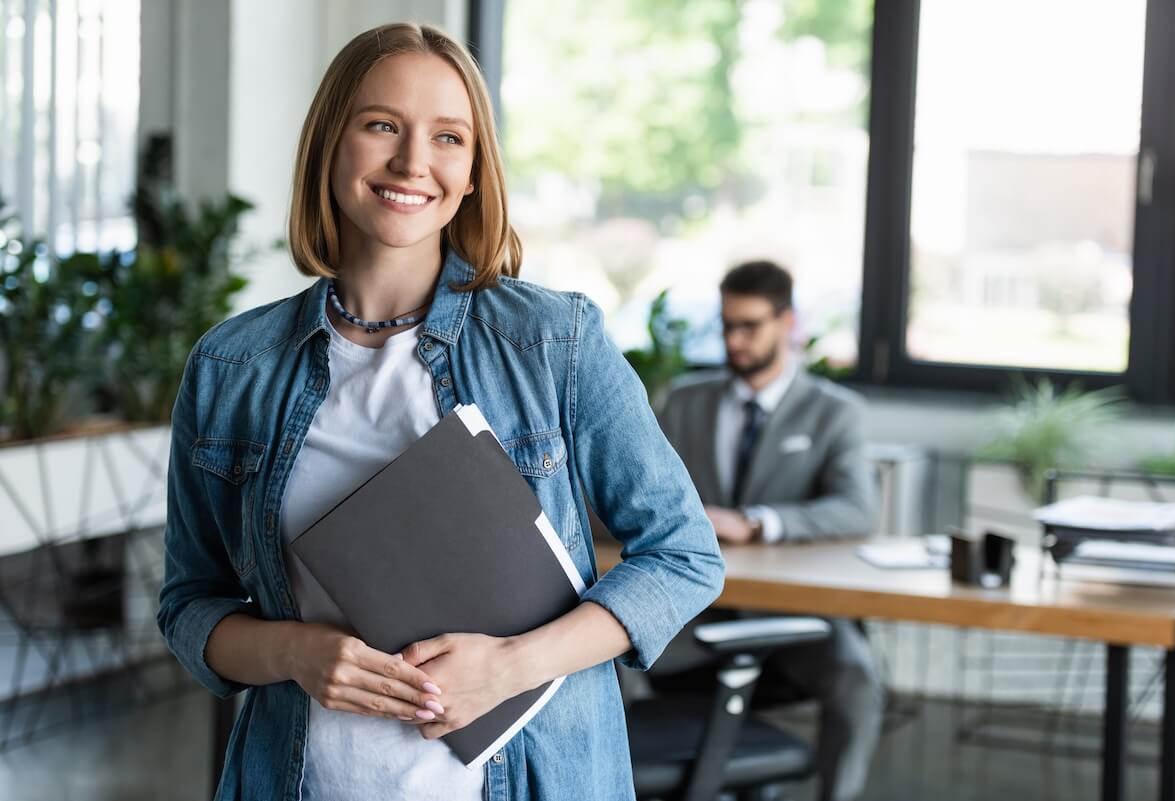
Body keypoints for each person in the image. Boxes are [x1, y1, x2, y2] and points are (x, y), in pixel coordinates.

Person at [156, 23, 723, 801]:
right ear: (332, 144)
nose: (412, 162)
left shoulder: (554, 342)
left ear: (472, 171)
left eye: (447, 137)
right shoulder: (231, 366)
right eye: (381, 124)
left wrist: (511, 665)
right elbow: (191, 605)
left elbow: (684, 555)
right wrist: (293, 650)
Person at [656, 260, 883, 801]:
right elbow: (639, 490)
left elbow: (857, 510)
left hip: (795, 619)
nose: (734, 340)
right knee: (596, 657)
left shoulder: (836, 413)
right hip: (692, 612)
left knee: (859, 678)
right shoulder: (686, 400)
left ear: (789, 323)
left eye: (750, 326)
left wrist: (757, 523)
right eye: (727, 325)